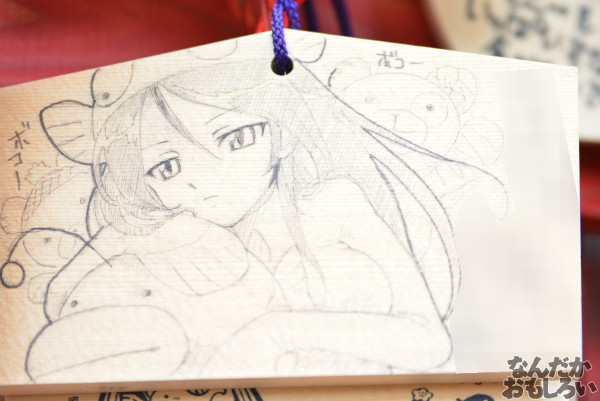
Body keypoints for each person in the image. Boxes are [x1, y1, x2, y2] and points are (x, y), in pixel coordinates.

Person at [18, 50, 505, 381]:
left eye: (235, 138)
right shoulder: (170, 236)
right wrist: (124, 239)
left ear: (282, 133)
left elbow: (429, 340)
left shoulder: (331, 203)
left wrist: (277, 333)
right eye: (166, 166)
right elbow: (57, 312)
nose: (203, 176)